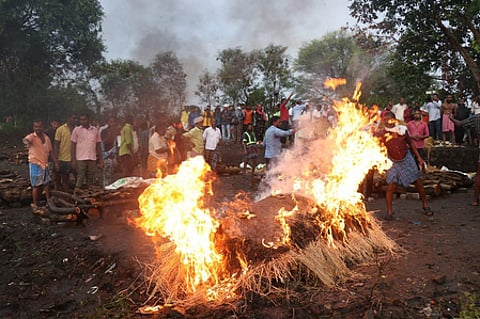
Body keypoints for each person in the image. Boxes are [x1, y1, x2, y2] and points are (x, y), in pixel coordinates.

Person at [375, 111, 432, 220]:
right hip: (392, 161)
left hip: (406, 159)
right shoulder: (382, 133)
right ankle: (389, 212)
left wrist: (419, 158)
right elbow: (377, 146)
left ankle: (425, 205)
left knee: (417, 181)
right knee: (391, 185)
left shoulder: (402, 130)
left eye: (390, 119)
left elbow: (411, 144)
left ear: (394, 120)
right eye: (385, 119)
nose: (387, 121)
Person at [23, 120, 58, 214]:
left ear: (43, 127)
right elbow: (25, 140)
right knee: (36, 185)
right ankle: (35, 205)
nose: (38, 128)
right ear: (33, 128)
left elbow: (51, 152)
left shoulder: (46, 138)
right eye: (36, 127)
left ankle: (48, 202)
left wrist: (56, 162)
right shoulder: (32, 137)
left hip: (44, 164)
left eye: (39, 127)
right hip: (35, 164)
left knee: (46, 184)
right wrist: (27, 143)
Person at [450, 113, 480, 205]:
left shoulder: (477, 117)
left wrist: (451, 118)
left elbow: (459, 123)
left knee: (479, 175)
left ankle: (475, 200)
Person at [71, 114, 103, 192]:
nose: (83, 121)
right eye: (81, 120)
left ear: (88, 119)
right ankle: (76, 195)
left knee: (90, 178)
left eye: (84, 119)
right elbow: (73, 145)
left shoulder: (95, 130)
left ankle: (89, 196)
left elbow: (98, 145)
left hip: (92, 158)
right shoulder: (76, 130)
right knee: (80, 178)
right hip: (80, 158)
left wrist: (100, 158)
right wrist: (73, 160)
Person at [54, 115, 77, 192]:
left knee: (78, 178)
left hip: (76, 158)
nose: (75, 120)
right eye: (73, 118)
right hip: (63, 158)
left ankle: (78, 196)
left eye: (76, 118)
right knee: (65, 179)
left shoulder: (78, 129)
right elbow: (56, 144)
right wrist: (56, 159)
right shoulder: (60, 129)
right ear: (68, 118)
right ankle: (66, 196)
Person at [100, 116, 118, 186]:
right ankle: (106, 189)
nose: (112, 124)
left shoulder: (115, 131)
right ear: (107, 122)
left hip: (114, 156)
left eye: (113, 122)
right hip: (106, 156)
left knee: (112, 175)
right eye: (111, 122)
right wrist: (110, 135)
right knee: (106, 175)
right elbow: (104, 142)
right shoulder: (104, 131)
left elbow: (116, 143)